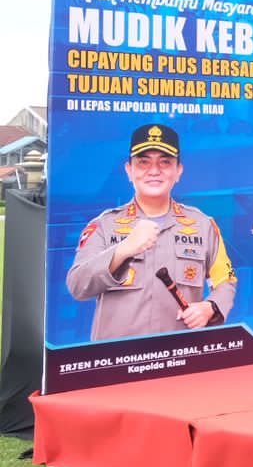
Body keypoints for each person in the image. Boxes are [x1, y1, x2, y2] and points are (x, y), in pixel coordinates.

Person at [67, 124, 238, 341]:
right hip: (117, 358)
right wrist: (122, 250)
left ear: (178, 171)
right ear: (129, 170)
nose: (154, 171)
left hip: (180, 353)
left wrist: (210, 306)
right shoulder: (103, 226)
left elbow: (226, 280)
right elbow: (78, 285)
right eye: (143, 162)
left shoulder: (203, 225)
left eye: (165, 162)